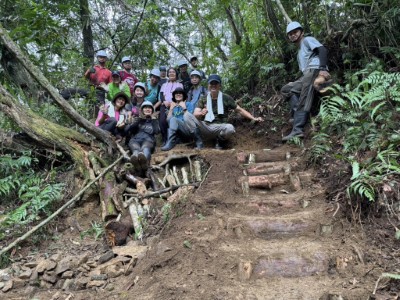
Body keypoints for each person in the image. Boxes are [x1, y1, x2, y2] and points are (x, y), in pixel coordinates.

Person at [280, 21, 331, 141]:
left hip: (315, 69)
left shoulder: (307, 40)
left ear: (301, 32)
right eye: (290, 34)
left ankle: (297, 130)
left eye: (295, 32)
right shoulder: (298, 53)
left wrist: (323, 69)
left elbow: (322, 50)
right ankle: (298, 115)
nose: (293, 35)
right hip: (307, 74)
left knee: (304, 95)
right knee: (286, 89)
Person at [193, 74, 263, 149]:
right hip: (206, 126)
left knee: (230, 128)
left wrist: (253, 118)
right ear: (208, 85)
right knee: (188, 116)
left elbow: (240, 110)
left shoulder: (226, 98)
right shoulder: (203, 98)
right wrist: (201, 113)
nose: (213, 85)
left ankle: (219, 141)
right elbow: (196, 113)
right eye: (211, 83)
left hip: (220, 127)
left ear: (220, 85)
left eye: (216, 83)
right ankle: (199, 142)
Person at [126, 101, 160, 171]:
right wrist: (138, 120)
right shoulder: (137, 119)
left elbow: (157, 131)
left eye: (149, 108)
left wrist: (154, 120)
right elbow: (130, 130)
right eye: (145, 108)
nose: (147, 109)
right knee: (136, 150)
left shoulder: (154, 120)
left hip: (148, 140)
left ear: (152, 110)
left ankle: (145, 164)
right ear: (142, 110)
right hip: (135, 140)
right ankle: (136, 164)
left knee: (145, 148)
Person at [159, 67, 183, 145]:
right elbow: (161, 95)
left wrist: (173, 103)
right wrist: (164, 101)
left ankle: (175, 138)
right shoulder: (164, 85)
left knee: (174, 119)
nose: (171, 73)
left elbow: (181, 95)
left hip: (176, 105)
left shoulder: (179, 84)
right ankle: (164, 139)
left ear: (176, 74)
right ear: (168, 74)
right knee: (162, 120)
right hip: (165, 104)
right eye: (170, 72)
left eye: (173, 72)